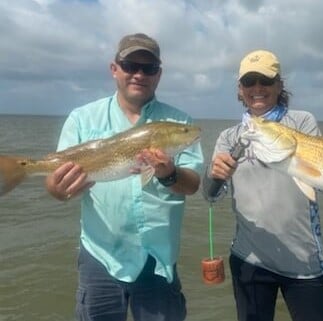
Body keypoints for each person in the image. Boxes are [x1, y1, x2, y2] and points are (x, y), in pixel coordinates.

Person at [204, 49, 323, 321]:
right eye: (249, 82)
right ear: (240, 90)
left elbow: (322, 180)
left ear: (279, 85)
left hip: (304, 262)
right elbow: (211, 196)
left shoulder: (301, 122)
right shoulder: (229, 137)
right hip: (249, 259)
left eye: (266, 80)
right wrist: (214, 175)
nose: (258, 88)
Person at [45, 33, 204, 321]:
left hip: (158, 260)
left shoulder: (181, 122)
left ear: (159, 75)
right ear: (114, 68)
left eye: (149, 68)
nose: (139, 74)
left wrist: (168, 174)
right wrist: (59, 188)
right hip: (100, 256)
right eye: (130, 65)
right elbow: (56, 186)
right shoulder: (82, 118)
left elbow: (192, 184)